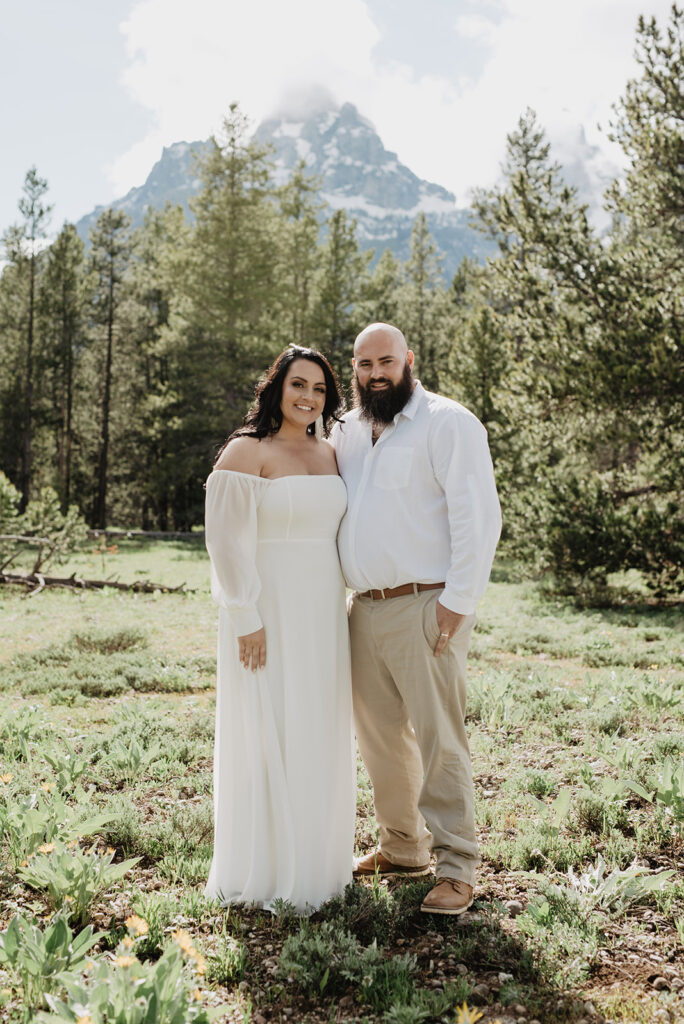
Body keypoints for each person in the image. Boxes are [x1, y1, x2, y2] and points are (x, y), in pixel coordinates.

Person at [332, 322, 502, 915]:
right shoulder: (346, 432)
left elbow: (477, 516)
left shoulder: (447, 422)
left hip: (427, 603)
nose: (375, 373)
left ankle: (457, 866)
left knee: (439, 738)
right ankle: (403, 846)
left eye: (385, 361)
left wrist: (459, 601)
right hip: (363, 609)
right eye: (362, 364)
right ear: (353, 369)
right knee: (379, 737)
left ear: (409, 359)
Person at [204, 345, 355, 913]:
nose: (308, 397)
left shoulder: (332, 453)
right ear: (277, 387)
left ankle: (318, 866)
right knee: (266, 728)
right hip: (264, 613)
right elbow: (224, 541)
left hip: (323, 611)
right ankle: (265, 869)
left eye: (319, 389)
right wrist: (245, 616)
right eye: (299, 385)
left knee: (316, 725)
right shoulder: (248, 450)